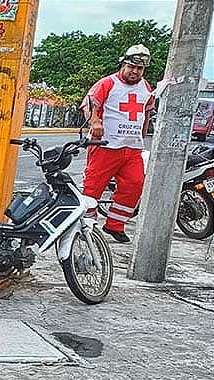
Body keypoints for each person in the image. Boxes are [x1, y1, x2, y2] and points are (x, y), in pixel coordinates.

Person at [81, 44, 155, 244]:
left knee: (135, 184)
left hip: (131, 148)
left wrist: (144, 134)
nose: (135, 71)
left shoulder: (145, 86)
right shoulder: (107, 83)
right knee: (93, 187)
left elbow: (146, 112)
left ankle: (115, 224)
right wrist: (95, 122)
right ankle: (86, 225)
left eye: (140, 68)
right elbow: (89, 105)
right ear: (123, 64)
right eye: (132, 66)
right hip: (106, 146)